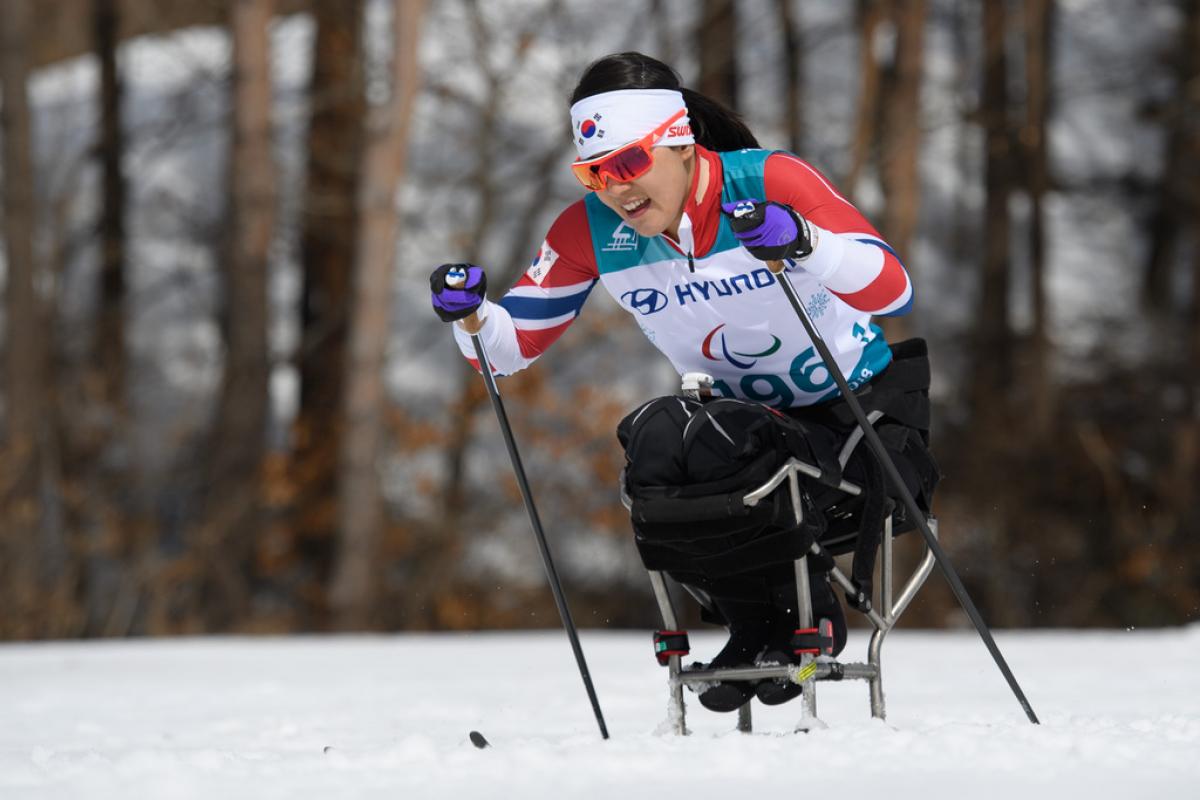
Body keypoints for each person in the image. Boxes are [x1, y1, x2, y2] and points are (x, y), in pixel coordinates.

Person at [430, 52, 937, 713]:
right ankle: (760, 628)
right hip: (745, 445)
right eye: (593, 172)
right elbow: (504, 349)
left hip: (859, 431)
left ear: (679, 140)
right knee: (657, 437)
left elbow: (893, 289)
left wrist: (806, 241)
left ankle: (806, 620)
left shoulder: (770, 181)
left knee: (713, 436)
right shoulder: (590, 230)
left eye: (628, 163)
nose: (614, 188)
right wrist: (469, 313)